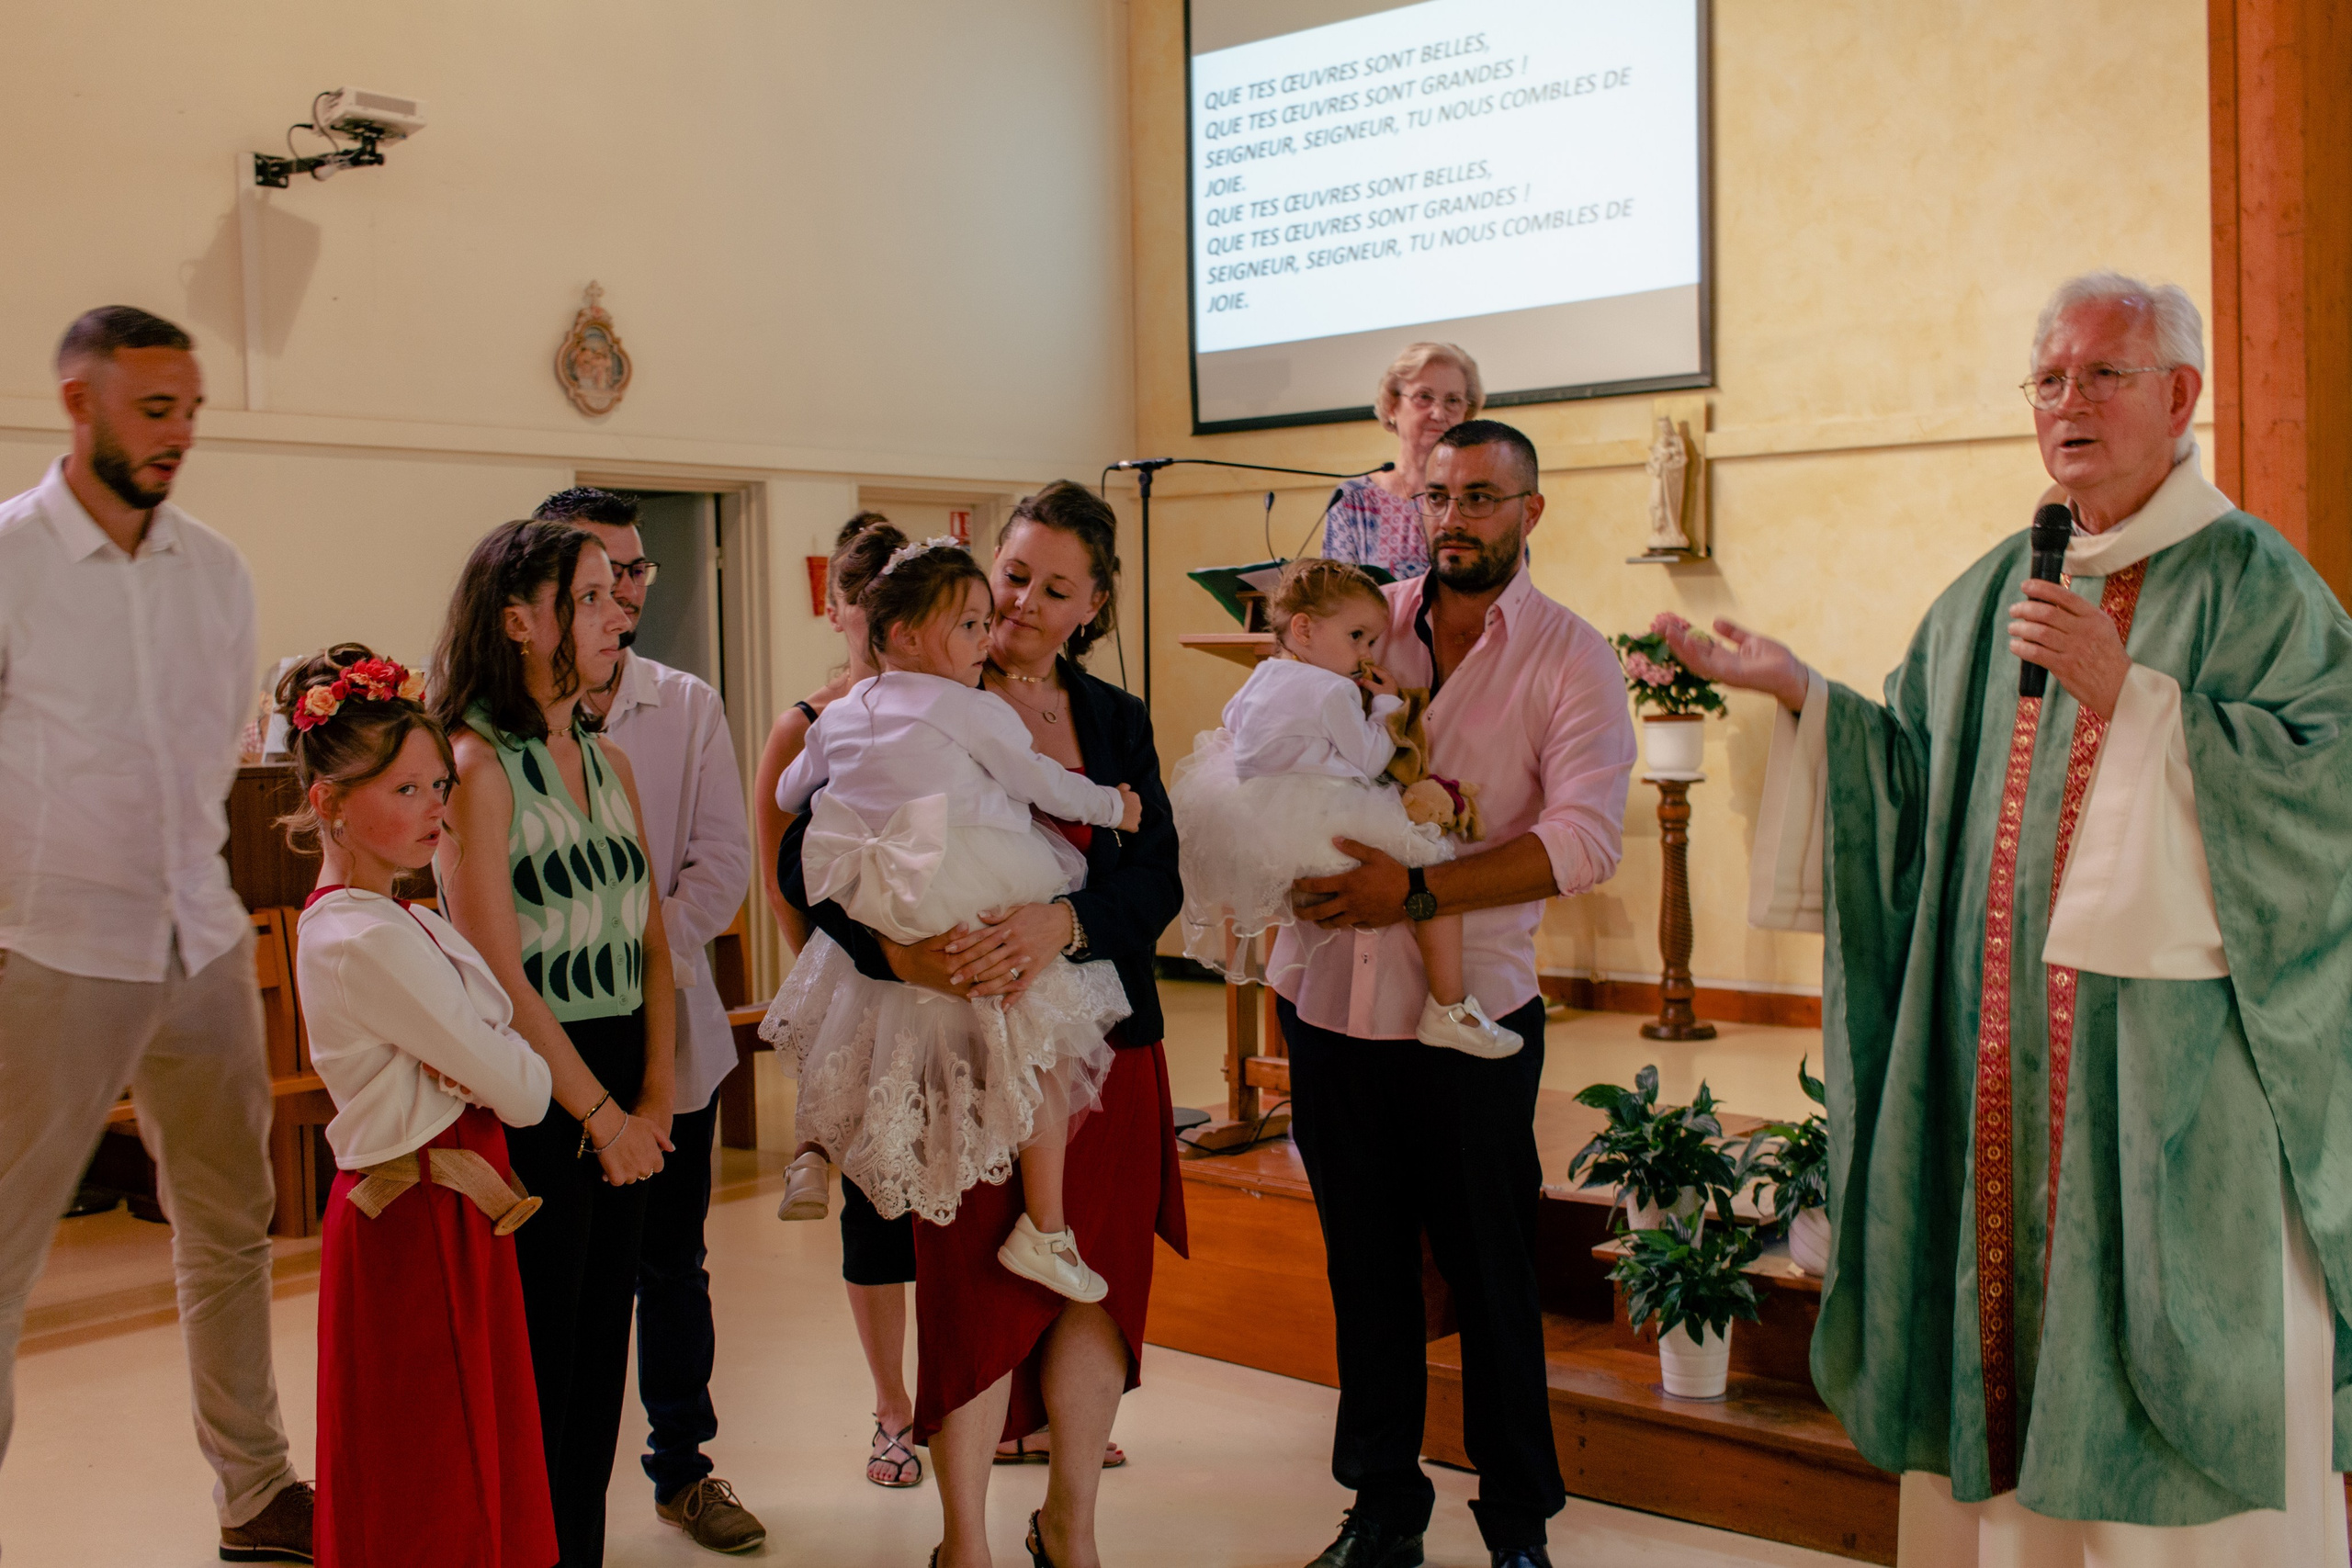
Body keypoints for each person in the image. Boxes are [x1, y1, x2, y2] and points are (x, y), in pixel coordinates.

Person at [1664, 271, 2352, 1565]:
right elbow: (1920, 784)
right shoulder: (1993, 590)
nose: (2068, 402)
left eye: (2102, 374)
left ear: (2181, 396)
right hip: (2001, 1089)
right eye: (2048, 378)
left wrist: (2136, 701)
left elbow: (2327, 795)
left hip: (2170, 1090)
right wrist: (1807, 698)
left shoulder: (2257, 581)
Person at [781, 479, 1186, 1568]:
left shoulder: (1112, 721)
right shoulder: (893, 699)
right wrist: (897, 951)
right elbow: (806, 865)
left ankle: (1073, 1527)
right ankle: (964, 1541)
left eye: (1056, 589)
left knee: (1092, 1283)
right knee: (969, 1292)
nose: (1022, 604)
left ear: (1091, 606)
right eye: (1012, 577)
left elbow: (1156, 878)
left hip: (1103, 1044)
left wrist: (1065, 921)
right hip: (951, 1045)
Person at [1278, 421, 1636, 1568]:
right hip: (1330, 1002)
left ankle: (1518, 1521)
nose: (1453, 519)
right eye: (1436, 498)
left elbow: (1583, 839)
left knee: (1489, 1269)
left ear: (1533, 512)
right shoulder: (1358, 621)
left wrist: (1418, 896)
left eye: (1481, 498)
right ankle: (1382, 1505)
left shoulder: (1572, 656)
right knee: (1364, 1270)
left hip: (1472, 1014)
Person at [0, 306, 312, 1562]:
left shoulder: (218, 570)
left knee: (230, 1222)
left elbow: (209, 757)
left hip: (199, 939)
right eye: (154, 409)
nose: (180, 434)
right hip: (52, 945)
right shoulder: (11, 560)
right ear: (79, 405)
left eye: (191, 410)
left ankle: (254, 1489)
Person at [764, 538, 1143, 1297]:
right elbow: (1039, 782)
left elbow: (790, 796)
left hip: (881, 893)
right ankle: (1045, 1225)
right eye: (969, 624)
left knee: (859, 1024)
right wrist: (1114, 806)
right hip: (971, 885)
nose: (987, 636)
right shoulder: (972, 707)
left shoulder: (842, 711)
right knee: (1043, 1038)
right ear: (905, 635)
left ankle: (813, 1150)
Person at [432, 517, 678, 1568]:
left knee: (599, 1367)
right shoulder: (476, 767)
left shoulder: (609, 756)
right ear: (519, 621)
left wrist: (658, 1096)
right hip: (540, 1090)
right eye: (587, 596)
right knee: (540, 1367)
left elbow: (655, 943)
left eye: (615, 590)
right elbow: (500, 969)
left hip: (625, 1077)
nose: (618, 610)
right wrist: (599, 1114)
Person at [282, 645, 558, 1568]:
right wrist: (487, 1055)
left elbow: (505, 1056)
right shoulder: (364, 939)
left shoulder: (408, 920)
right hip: (416, 1227)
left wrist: (481, 1053)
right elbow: (525, 1090)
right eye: (403, 791)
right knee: (430, 1486)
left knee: (466, 1465)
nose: (434, 808)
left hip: (454, 1216)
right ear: (328, 805)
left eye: (437, 784)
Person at [531, 488, 764, 1553]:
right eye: (602, 579)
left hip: (670, 1034)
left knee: (672, 1263)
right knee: (569, 1285)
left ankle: (683, 1467)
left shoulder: (683, 704)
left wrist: (634, 946)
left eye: (635, 574)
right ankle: (551, 1499)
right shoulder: (504, 730)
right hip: (553, 1048)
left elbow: (722, 861)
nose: (626, 596)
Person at [752, 511, 935, 1490]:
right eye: (861, 617)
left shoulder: (953, 703)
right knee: (876, 1207)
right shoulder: (810, 721)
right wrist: (830, 995)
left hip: (949, 991)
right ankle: (891, 1408)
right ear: (839, 613)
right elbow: (780, 875)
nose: (878, 636)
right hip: (851, 982)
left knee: (958, 1195)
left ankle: (977, 1393)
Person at [1170, 557, 1520, 1055]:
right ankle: (1448, 1006)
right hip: (1322, 815)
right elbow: (1371, 757)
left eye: (1372, 641)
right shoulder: (1332, 689)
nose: (1366, 653)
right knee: (1433, 860)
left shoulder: (1263, 675)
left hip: (1252, 819)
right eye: (1357, 636)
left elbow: (1233, 724)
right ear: (1305, 628)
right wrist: (1386, 707)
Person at [1320, 343, 1483, 578]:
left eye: (1453, 401)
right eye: (1424, 397)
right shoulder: (1353, 501)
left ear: (1466, 413)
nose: (1438, 413)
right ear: (1392, 406)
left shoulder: (1483, 498)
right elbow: (1332, 601)